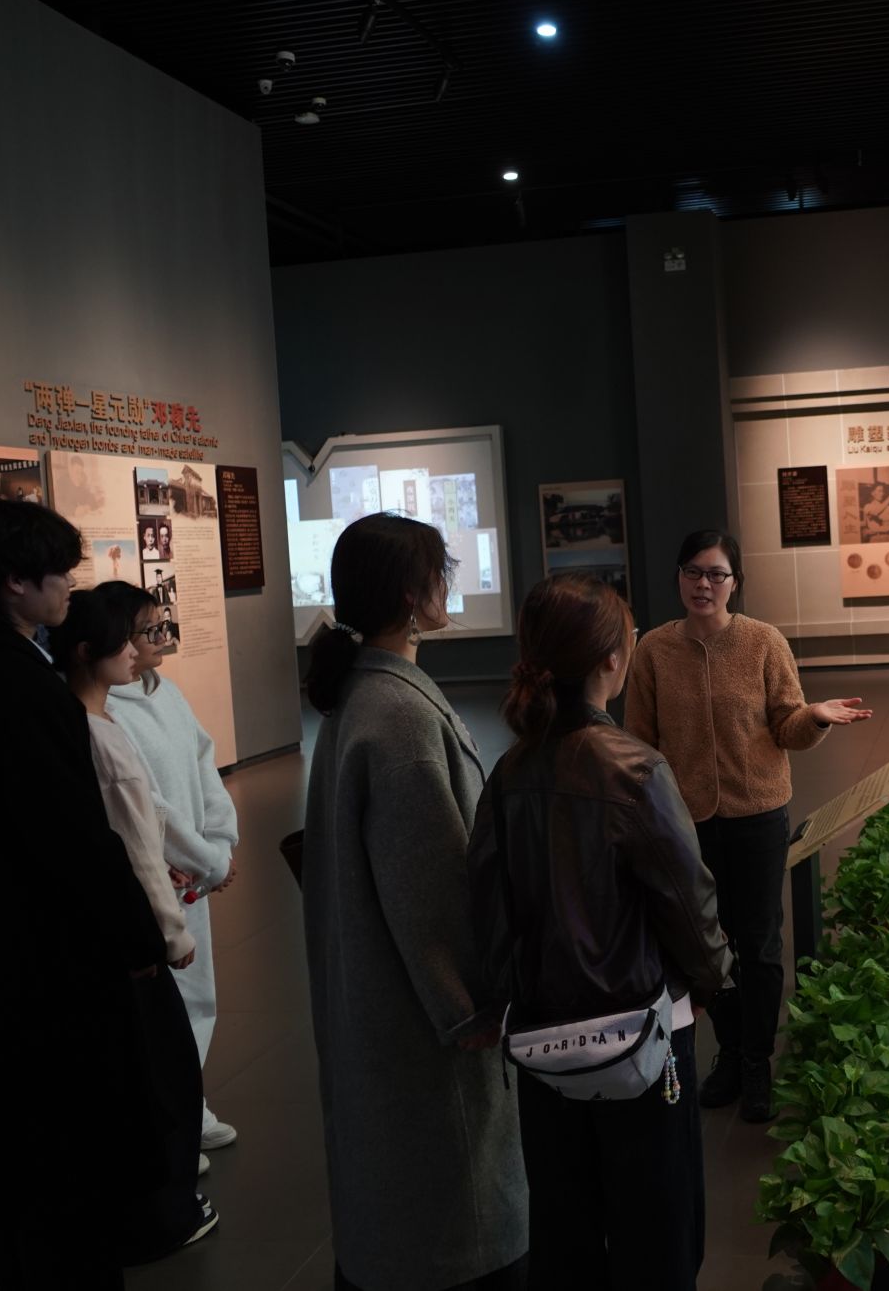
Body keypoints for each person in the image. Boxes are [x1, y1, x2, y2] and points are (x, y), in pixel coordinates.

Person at [0, 501, 196, 1289]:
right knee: (66, 1206)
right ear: (14, 581)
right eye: (59, 571)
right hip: (51, 984)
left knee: (26, 1210)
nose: (71, 585)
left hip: (0, 972)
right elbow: (74, 841)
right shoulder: (20, 688)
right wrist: (140, 939)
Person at [469, 575, 733, 1289]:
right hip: (642, 1038)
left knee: (565, 1238)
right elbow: (689, 899)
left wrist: (504, 999)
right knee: (660, 1239)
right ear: (612, 659)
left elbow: (487, 906)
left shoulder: (508, 772)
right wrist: (713, 980)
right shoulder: (635, 769)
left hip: (542, 1046)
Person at [302, 513, 526, 1291]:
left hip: (378, 1008)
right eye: (439, 571)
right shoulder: (398, 715)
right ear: (411, 594)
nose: (447, 584)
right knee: (453, 1213)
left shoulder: (360, 697)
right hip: (423, 1032)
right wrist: (473, 1007)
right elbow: (431, 891)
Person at [626, 530, 871, 1123]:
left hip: (758, 814)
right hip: (687, 821)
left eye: (716, 574)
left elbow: (788, 725)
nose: (703, 584)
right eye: (693, 572)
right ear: (679, 577)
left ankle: (758, 1059)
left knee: (758, 943)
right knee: (708, 944)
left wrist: (813, 717)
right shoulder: (654, 651)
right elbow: (639, 741)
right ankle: (730, 1053)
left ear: (734, 582)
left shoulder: (763, 642)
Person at [51, 582, 217, 1255]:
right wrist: (171, 931)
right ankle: (163, 1206)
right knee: (161, 1069)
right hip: (140, 932)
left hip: (139, 912)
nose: (138, 647)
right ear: (88, 649)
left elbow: (188, 781)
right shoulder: (97, 731)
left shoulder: (94, 719)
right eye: (127, 636)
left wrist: (210, 847)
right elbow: (141, 841)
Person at [110, 617, 243, 1161]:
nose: (161, 637)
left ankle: (189, 1105)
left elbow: (204, 764)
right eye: (147, 630)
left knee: (197, 996)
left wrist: (220, 843)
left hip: (194, 877)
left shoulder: (166, 693)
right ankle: (167, 1122)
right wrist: (201, 858)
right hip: (164, 874)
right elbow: (147, 805)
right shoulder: (106, 711)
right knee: (158, 1007)